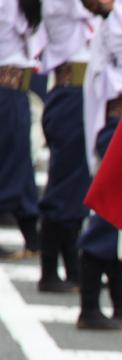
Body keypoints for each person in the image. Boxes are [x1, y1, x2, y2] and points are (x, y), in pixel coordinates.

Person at [77, 0, 122, 331]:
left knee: (120, 219)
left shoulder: (117, 16)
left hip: (120, 125)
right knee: (108, 217)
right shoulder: (120, 18)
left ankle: (119, 301)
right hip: (118, 126)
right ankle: (89, 305)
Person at [36, 0, 96, 292]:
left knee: (76, 186)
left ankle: (72, 268)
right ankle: (50, 270)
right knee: (65, 185)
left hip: (82, 93)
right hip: (72, 94)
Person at [0, 0, 43, 260]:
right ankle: (33, 238)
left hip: (16, 91)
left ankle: (33, 239)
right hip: (6, 89)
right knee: (12, 164)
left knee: (19, 163)